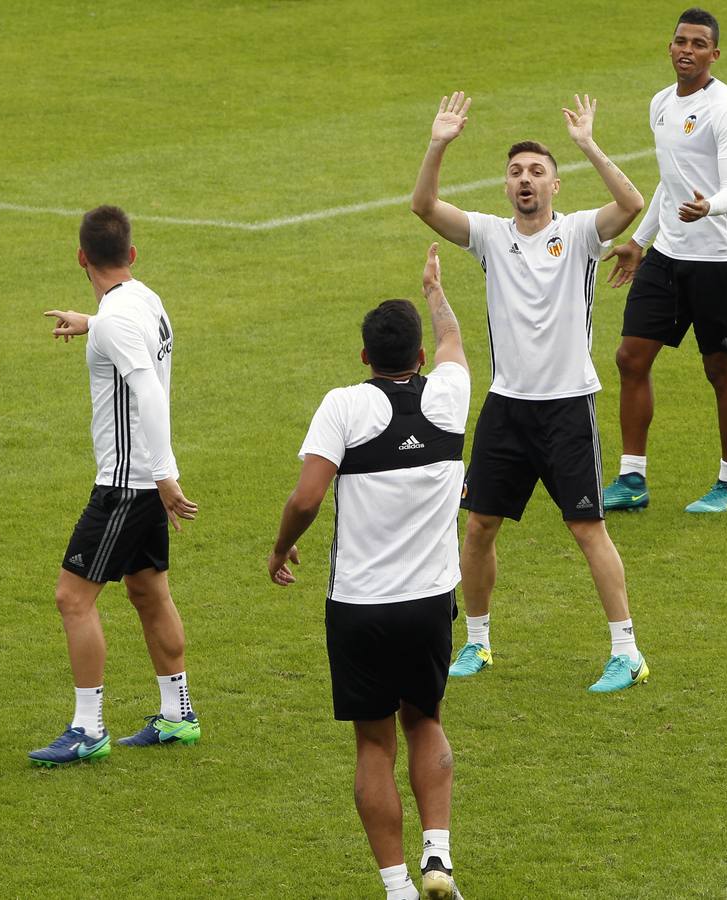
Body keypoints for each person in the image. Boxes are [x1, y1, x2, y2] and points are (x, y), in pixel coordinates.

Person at [410, 93, 651, 693]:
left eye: (536, 172)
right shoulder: (491, 236)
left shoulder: (578, 235)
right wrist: (439, 142)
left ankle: (628, 652)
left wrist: (588, 143)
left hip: (569, 407)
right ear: (505, 186)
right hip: (506, 408)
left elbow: (632, 203)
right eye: (516, 172)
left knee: (586, 528)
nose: (525, 180)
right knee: (479, 527)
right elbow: (424, 205)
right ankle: (478, 642)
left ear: (555, 186)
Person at [268, 245, 469, 900]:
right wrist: (435, 292)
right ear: (417, 357)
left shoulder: (344, 406)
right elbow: (455, 343)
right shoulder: (449, 395)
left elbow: (305, 497)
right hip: (431, 602)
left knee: (373, 745)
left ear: (364, 358)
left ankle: (397, 888)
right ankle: (437, 855)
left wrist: (281, 548)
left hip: (360, 606)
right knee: (426, 721)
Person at [31, 205, 201, 767]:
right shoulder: (142, 300)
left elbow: (148, 391)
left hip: (127, 485)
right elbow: (124, 333)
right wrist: (92, 322)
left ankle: (87, 728)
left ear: (81, 257)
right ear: (131, 255)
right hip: (143, 483)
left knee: (72, 598)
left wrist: (166, 475)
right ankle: (177, 716)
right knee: (149, 593)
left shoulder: (116, 320)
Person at [601, 7, 727, 514]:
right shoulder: (661, 104)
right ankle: (632, 478)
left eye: (698, 43)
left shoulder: (726, 109)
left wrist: (709, 205)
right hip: (668, 254)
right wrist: (640, 242)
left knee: (721, 369)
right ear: (669, 47)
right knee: (630, 358)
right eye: (680, 41)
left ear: (714, 54)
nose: (686, 50)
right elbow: (669, 183)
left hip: (718, 258)